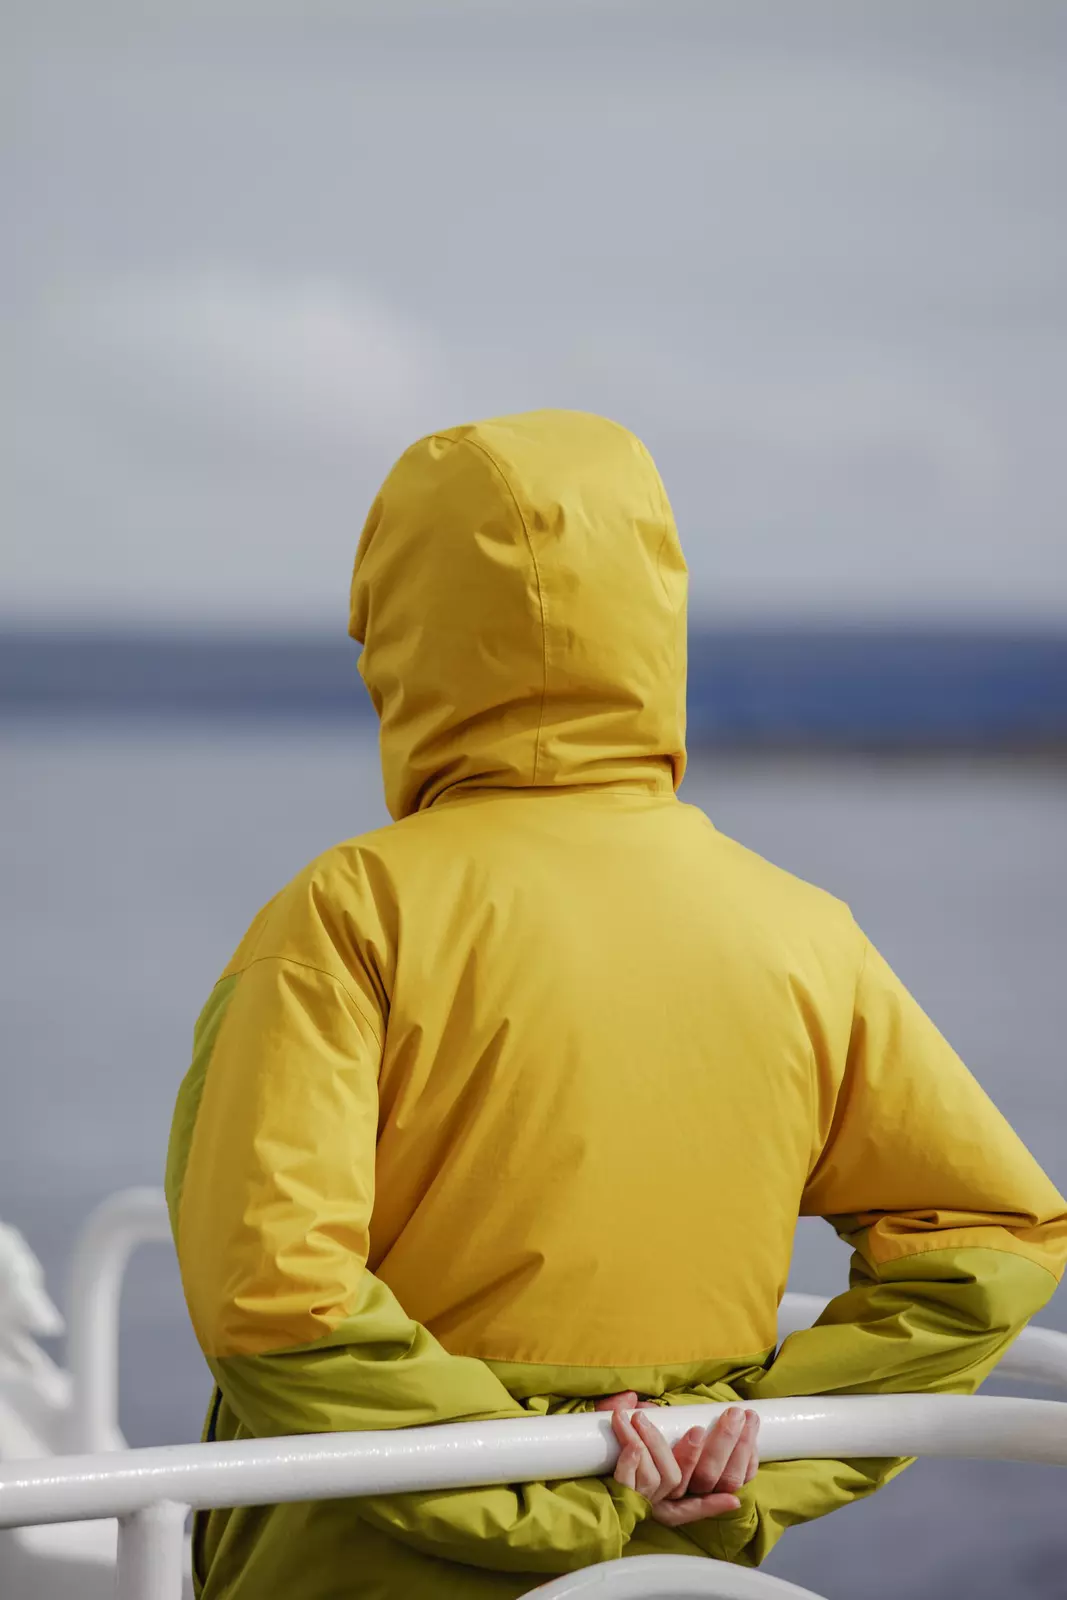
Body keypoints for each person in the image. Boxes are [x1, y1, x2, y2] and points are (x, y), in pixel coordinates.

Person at [166, 410, 1067, 1599]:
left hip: (359, 1566)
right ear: (655, 618)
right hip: (684, 1566)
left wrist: (544, 1489)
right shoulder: (801, 930)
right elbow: (989, 1234)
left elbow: (272, 1296)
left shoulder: (348, 913)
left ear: (400, 637)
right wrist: (754, 1448)